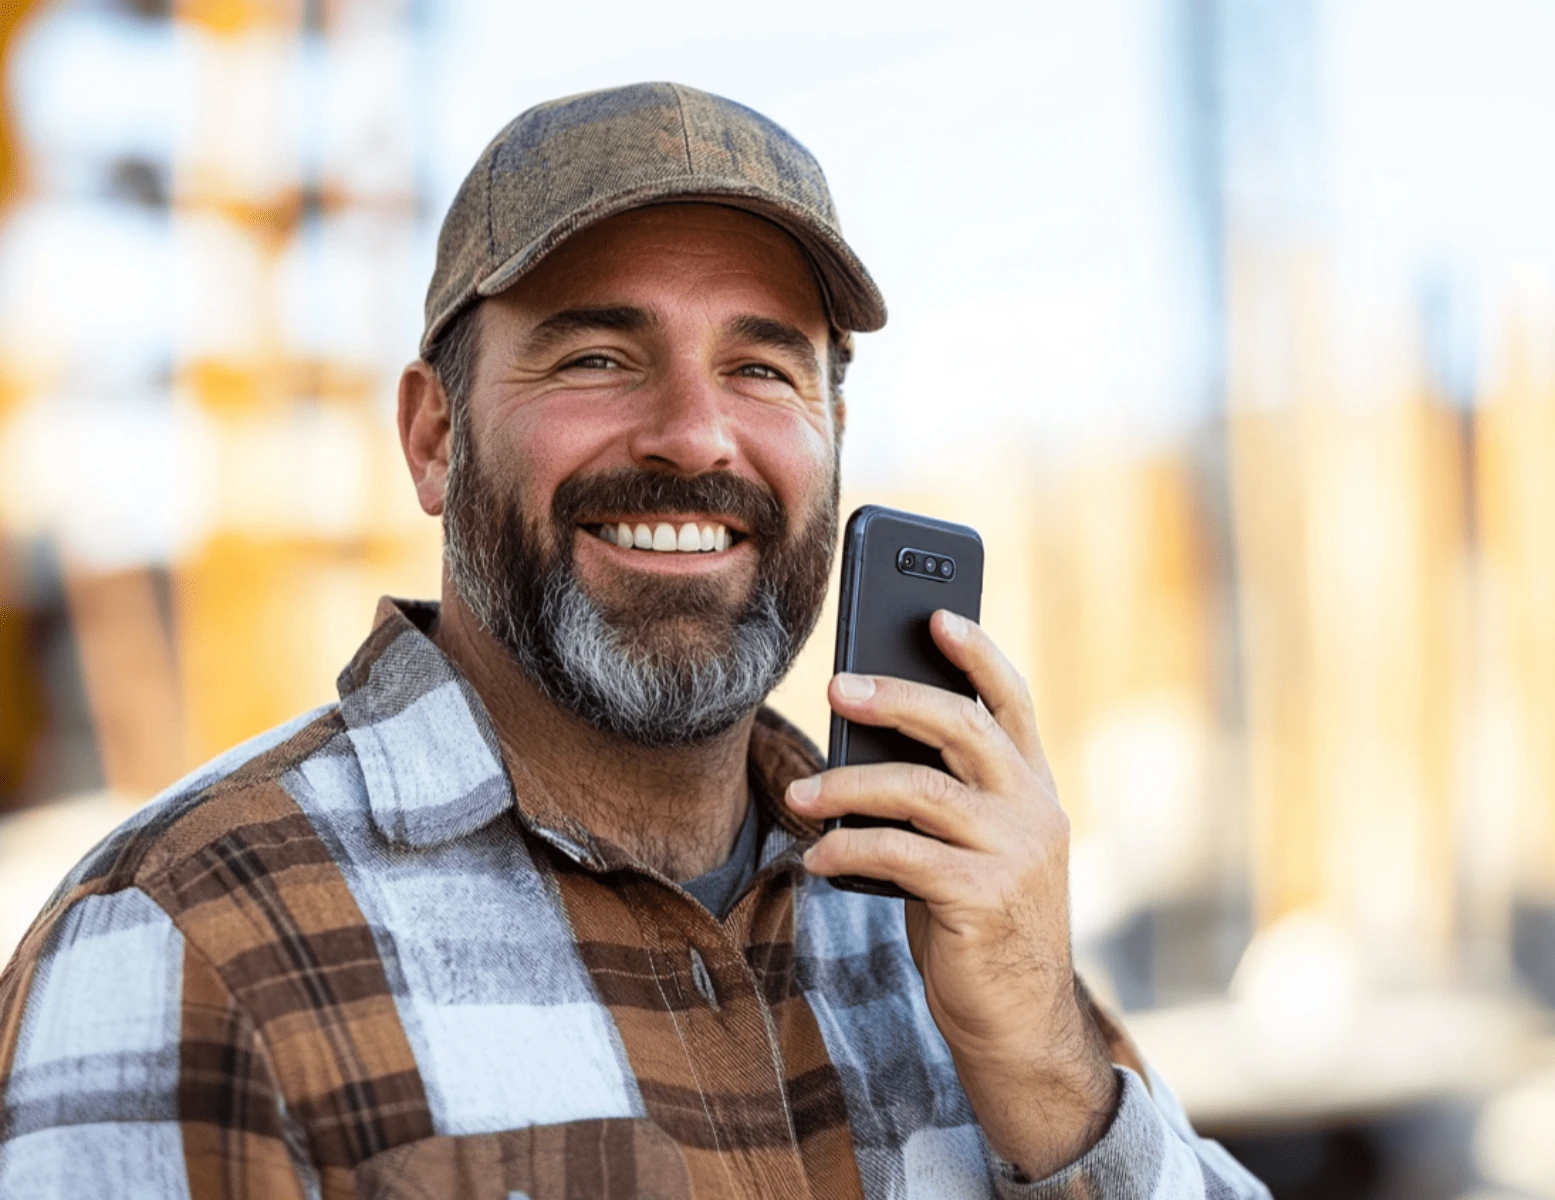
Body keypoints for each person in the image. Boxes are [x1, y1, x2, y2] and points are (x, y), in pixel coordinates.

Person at [0, 83, 1267, 1199]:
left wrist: (1046, 1072)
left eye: (764, 370)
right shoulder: (188, 940)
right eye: (600, 355)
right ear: (435, 437)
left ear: (830, 430)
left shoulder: (945, 916)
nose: (695, 436)